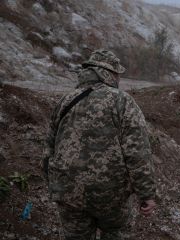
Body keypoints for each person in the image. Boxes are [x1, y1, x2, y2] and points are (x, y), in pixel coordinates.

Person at [43, 49, 156, 240]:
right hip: (110, 196)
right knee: (115, 233)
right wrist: (146, 194)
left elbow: (49, 148)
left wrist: (55, 184)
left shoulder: (65, 100)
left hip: (68, 193)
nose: (118, 78)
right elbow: (137, 153)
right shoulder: (122, 101)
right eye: (117, 74)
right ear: (108, 73)